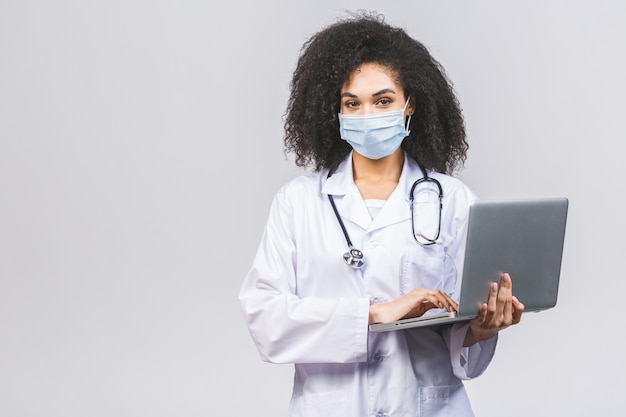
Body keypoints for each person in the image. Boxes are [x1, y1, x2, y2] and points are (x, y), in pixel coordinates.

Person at [238, 11, 525, 417]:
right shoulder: (298, 202)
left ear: (410, 105)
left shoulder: (454, 200)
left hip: (427, 406)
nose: (368, 115)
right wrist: (371, 315)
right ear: (333, 111)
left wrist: (481, 328)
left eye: (384, 100)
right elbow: (265, 319)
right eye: (352, 103)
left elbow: (464, 330)